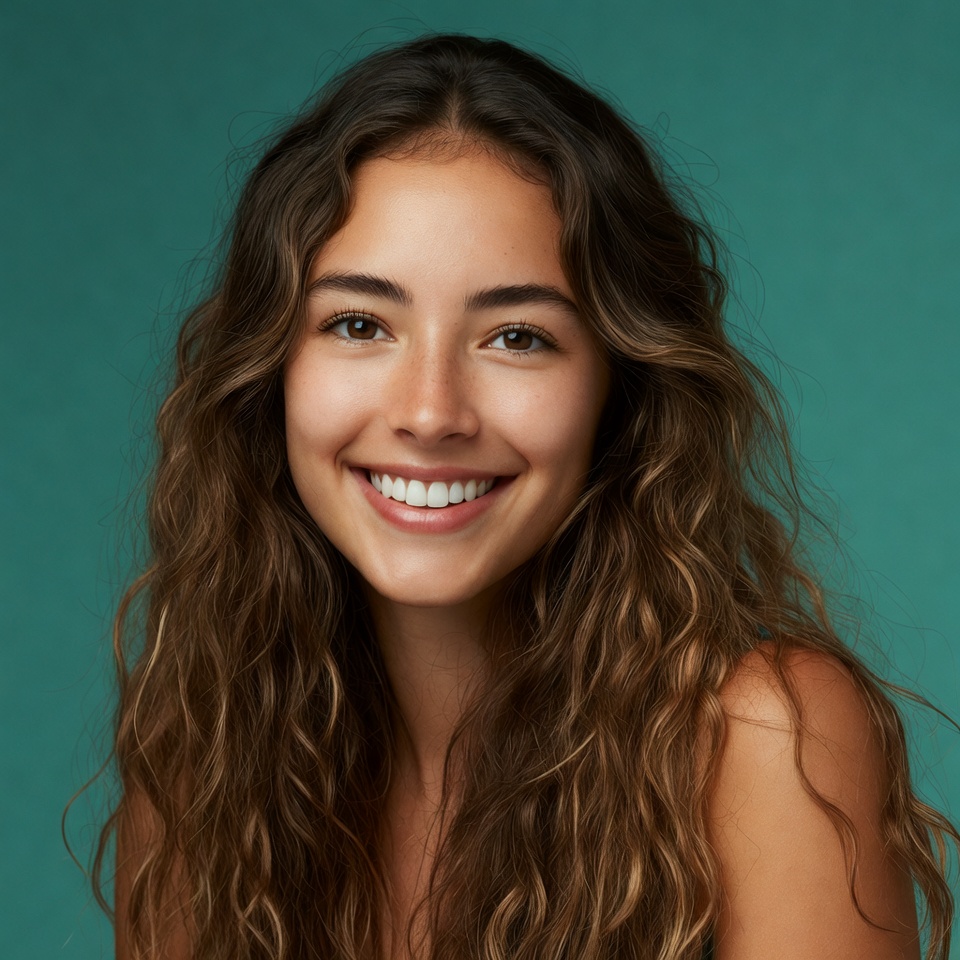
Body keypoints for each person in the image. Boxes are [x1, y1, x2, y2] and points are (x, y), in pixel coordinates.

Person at [91, 33, 958, 960]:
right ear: (269, 375)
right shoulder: (207, 760)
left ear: (617, 386)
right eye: (358, 323)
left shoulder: (762, 738)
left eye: (516, 338)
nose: (429, 412)